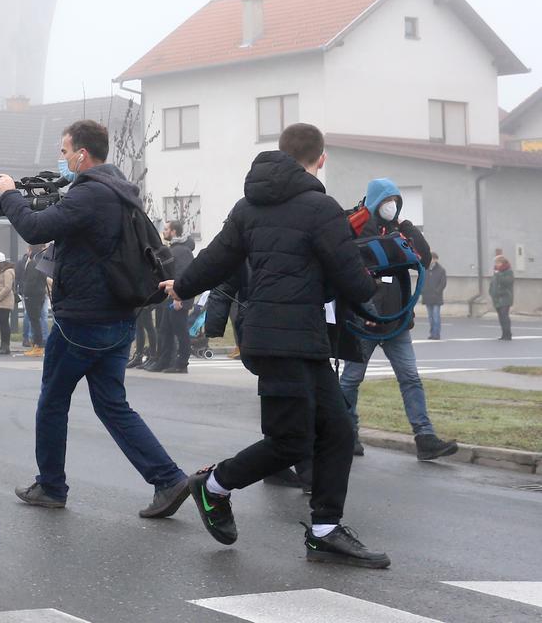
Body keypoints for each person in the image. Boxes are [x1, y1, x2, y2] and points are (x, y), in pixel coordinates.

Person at [163, 122, 392, 568]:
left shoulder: (249, 206)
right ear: (320, 158)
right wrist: (374, 289)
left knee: (337, 430)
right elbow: (350, 276)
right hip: (283, 338)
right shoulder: (321, 208)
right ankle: (212, 488)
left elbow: (215, 258)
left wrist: (183, 285)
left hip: (289, 338)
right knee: (290, 443)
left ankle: (325, 531)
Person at [0, 119, 190, 520]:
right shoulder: (119, 191)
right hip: (118, 317)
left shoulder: (90, 195)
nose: (63, 159)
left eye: (65, 152)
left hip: (83, 319)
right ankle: (168, 479)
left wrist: (10, 195)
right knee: (112, 404)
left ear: (82, 154)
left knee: (52, 402)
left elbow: (34, 227)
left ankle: (51, 486)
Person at [336, 179, 458, 462]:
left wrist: (406, 224)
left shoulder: (398, 231)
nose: (392, 206)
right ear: (375, 201)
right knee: (351, 380)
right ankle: (346, 433)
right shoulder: (353, 226)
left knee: (410, 378)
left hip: (397, 322)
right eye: (388, 200)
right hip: (363, 322)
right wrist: (359, 313)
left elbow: (424, 258)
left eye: (396, 201)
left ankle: (425, 438)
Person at [151, 222, 194, 373]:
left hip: (179, 298)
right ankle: (164, 361)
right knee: (165, 329)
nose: (164, 232)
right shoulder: (174, 249)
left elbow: (182, 275)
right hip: (172, 295)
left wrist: (179, 298)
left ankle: (182, 363)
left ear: (174, 231)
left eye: (166, 229)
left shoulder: (182, 251)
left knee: (180, 331)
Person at [19, 246, 48, 357]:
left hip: (32, 295)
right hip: (40, 294)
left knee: (34, 320)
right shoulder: (42, 262)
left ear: (31, 250)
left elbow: (30, 281)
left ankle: (38, 345)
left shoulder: (33, 263)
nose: (27, 251)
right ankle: (37, 345)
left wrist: (25, 292)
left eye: (28, 249)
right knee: (37, 320)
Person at [491, 249, 515, 340]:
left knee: (505, 316)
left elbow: (507, 282)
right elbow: (493, 283)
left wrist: (498, 275)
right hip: (497, 298)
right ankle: (503, 334)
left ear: (501, 263)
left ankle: (508, 334)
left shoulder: (508, 271)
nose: (495, 265)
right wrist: (491, 292)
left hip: (505, 298)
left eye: (497, 263)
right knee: (501, 317)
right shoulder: (496, 272)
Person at [422, 253, 447, 340]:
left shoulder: (441, 270)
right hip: (427, 296)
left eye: (432, 259)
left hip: (436, 297)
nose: (431, 260)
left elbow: (443, 283)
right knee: (430, 317)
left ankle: (436, 334)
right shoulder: (425, 269)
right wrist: (422, 291)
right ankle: (432, 333)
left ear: (436, 259)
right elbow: (422, 281)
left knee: (436, 316)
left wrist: (437, 291)